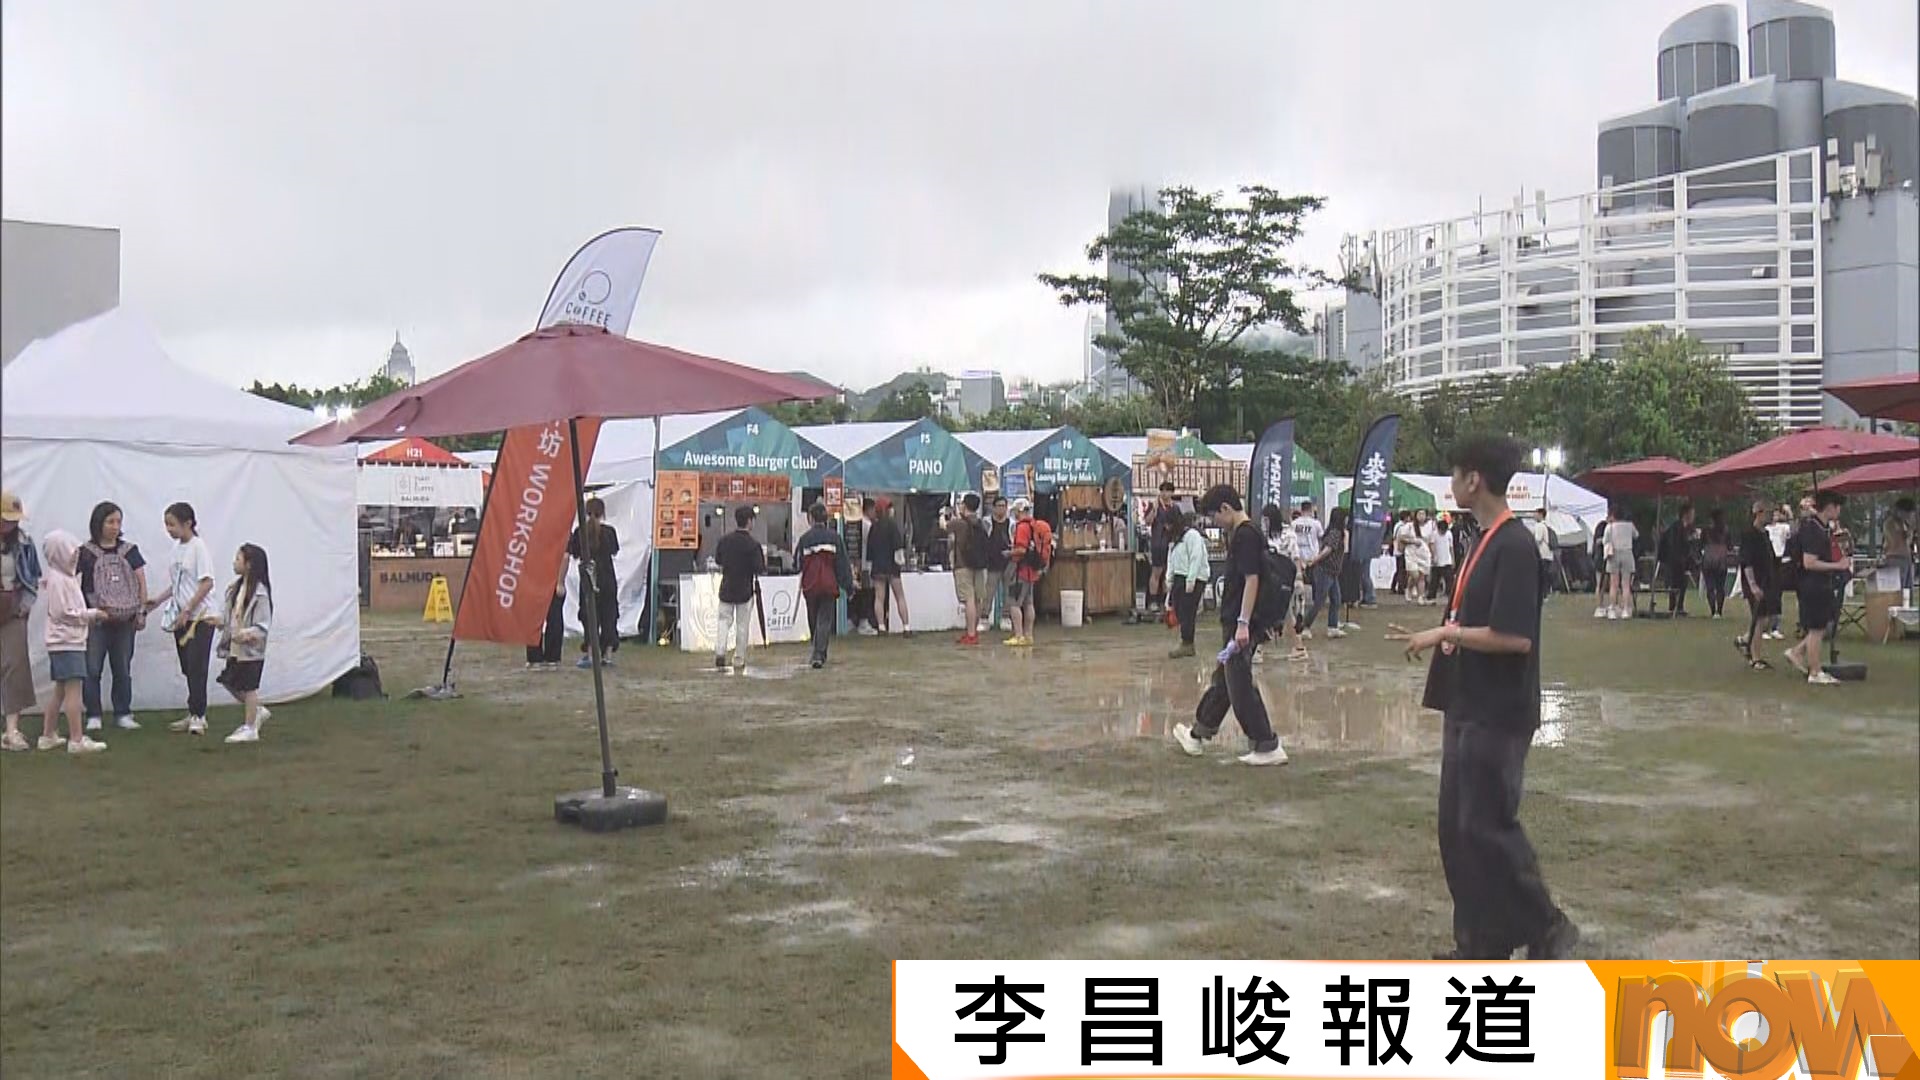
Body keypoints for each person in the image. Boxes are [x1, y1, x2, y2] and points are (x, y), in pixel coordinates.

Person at [1392, 435, 1576, 961]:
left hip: (1500, 710)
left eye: (1455, 473)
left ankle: (1547, 925)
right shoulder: (1483, 538)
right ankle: (1480, 943)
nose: (1451, 484)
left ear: (1474, 479)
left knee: (1487, 827)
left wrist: (1444, 635)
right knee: (1457, 831)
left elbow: (1514, 637)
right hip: (1467, 701)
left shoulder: (1515, 546)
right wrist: (1448, 631)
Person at [1171, 485, 1290, 767]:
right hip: (1240, 620)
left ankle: (1266, 743)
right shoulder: (1246, 534)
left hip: (1241, 621)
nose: (1214, 523)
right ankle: (1198, 733)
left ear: (1226, 508)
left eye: (1215, 517)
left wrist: (1242, 624)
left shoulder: (1245, 536)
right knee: (1226, 680)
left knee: (1239, 685)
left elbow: (1252, 580)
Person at [145, 503, 219, 735]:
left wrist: (189, 608)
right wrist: (158, 600)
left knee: (197, 666)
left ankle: (200, 714)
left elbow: (207, 582)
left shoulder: (199, 548)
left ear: (188, 523)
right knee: (188, 666)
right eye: (166, 524)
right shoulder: (177, 549)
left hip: (201, 617)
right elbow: (178, 582)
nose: (169, 529)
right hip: (181, 617)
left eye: (172, 524)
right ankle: (193, 711)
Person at [34, 531, 111, 754]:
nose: (75, 558)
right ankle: (76, 739)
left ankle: (48, 735)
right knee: (73, 690)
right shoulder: (59, 581)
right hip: (66, 642)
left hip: (66, 641)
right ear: (59, 555)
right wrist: (92, 614)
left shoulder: (63, 578)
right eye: (71, 554)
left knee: (60, 690)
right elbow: (63, 613)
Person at [79, 501, 149, 732]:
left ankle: (123, 712)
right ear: (98, 523)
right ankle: (94, 714)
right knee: (92, 669)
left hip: (126, 619)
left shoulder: (130, 550)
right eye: (110, 521)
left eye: (118, 521)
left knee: (122, 668)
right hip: (97, 618)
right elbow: (74, 581)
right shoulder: (86, 553)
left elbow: (141, 581)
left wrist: (141, 611)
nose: (115, 526)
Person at [1787, 491, 1851, 686]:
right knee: (1816, 629)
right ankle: (1815, 671)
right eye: (1837, 505)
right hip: (1812, 583)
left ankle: (1797, 652)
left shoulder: (1823, 528)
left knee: (1821, 626)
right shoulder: (1812, 529)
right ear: (1829, 506)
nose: (1839, 510)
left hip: (1821, 583)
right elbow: (1809, 562)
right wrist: (1837, 566)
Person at [215, 544, 274, 743]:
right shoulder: (235, 588)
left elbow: (262, 625)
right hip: (235, 647)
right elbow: (229, 615)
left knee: (249, 687)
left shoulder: (260, 594)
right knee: (229, 681)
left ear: (249, 564)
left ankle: (250, 728)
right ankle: (256, 711)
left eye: (238, 559)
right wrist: (218, 621)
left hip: (251, 650)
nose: (234, 562)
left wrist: (246, 635)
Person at [2, 492, 46, 752]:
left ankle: (11, 730)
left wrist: (25, 607)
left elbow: (32, 579)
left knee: (14, 667)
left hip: (12, 609)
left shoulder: (24, 543)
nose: (10, 524)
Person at [795, 502, 854, 669]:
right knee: (825, 620)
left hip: (810, 586)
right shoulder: (835, 538)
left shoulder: (804, 539)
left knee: (813, 619)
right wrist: (848, 587)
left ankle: (817, 651)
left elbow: (796, 563)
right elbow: (842, 565)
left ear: (811, 519)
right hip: (829, 584)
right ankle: (819, 653)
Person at [567, 497, 621, 668]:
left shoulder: (579, 532)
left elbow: (574, 554)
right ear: (603, 513)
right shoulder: (610, 532)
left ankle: (590, 654)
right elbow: (614, 552)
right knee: (609, 616)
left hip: (589, 579)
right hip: (607, 579)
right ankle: (608, 655)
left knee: (590, 616)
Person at [712, 505, 764, 673]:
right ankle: (739, 658)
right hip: (744, 590)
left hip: (726, 587)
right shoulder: (753, 545)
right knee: (742, 626)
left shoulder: (724, 541)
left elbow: (718, 560)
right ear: (749, 521)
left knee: (723, 622)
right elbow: (759, 568)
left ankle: (720, 651)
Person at [1734, 502, 1777, 671]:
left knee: (1766, 619)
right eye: (1768, 512)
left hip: (1767, 582)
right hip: (1755, 582)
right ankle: (1755, 657)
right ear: (1758, 513)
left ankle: (1744, 640)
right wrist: (1752, 585)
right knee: (1760, 619)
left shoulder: (1765, 534)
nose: (1771, 516)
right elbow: (1747, 562)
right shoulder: (1748, 534)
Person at [946, 493, 990, 646]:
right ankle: (974, 631)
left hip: (963, 565)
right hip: (979, 565)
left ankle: (970, 634)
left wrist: (942, 514)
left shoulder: (959, 523)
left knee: (969, 599)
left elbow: (943, 526)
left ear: (964, 505)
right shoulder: (981, 523)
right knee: (978, 599)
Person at [1006, 498, 1050, 647]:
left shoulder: (1022, 527)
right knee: (1029, 603)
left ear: (1019, 511)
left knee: (1014, 603)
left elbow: (1021, 549)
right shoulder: (1035, 525)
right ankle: (1028, 635)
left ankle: (1018, 636)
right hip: (1033, 571)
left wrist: (1009, 553)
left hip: (1021, 570)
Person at [1299, 507, 1348, 639]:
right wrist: (1314, 561)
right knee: (1319, 601)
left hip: (1333, 572)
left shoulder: (1336, 532)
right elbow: (1327, 550)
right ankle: (1305, 626)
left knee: (1336, 599)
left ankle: (1332, 627)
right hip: (1324, 571)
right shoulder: (1336, 533)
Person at [1166, 509, 1209, 658]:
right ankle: (1185, 640)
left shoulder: (1192, 536)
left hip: (1194, 578)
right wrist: (1169, 578)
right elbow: (1171, 559)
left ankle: (1187, 643)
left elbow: (1196, 557)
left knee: (1188, 611)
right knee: (1179, 610)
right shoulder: (1175, 538)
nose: (1167, 527)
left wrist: (1191, 579)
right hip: (1179, 576)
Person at [867, 498, 911, 636]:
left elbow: (869, 550)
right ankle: (906, 627)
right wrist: (901, 562)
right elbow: (898, 546)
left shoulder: (874, 526)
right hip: (892, 567)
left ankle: (881, 627)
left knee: (879, 598)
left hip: (878, 567)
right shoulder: (892, 525)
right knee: (900, 596)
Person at [1146, 482, 1179, 616]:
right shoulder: (1155, 506)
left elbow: (1179, 525)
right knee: (1156, 572)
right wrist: (1153, 510)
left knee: (1168, 573)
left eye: (1168, 491)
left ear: (1172, 493)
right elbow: (1148, 521)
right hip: (1157, 544)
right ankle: (1153, 601)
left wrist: (1172, 528)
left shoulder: (1175, 508)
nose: (1165, 494)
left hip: (1170, 544)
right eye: (1163, 491)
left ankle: (1166, 601)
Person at [1659, 504, 1697, 617]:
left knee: (1683, 584)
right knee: (1674, 583)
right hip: (1673, 561)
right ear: (1686, 514)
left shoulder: (1688, 528)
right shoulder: (1675, 528)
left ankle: (1679, 607)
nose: (1693, 516)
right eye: (1692, 514)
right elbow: (1672, 545)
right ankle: (1672, 607)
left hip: (1682, 561)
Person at [1601, 504, 1638, 620]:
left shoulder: (1610, 527)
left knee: (1613, 584)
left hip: (1614, 554)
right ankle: (1626, 609)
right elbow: (1636, 535)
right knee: (1626, 584)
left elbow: (1604, 541)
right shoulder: (1629, 525)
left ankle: (1612, 608)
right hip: (1627, 553)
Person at [1763, 506, 1794, 639]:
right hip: (1769, 561)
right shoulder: (1765, 530)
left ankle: (1775, 627)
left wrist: (1789, 513)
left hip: (1780, 562)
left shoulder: (1784, 527)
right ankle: (1765, 627)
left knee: (1777, 595)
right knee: (1767, 595)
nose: (1775, 517)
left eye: (1777, 514)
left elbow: (1793, 532)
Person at [526, 574, 567, 671]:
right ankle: (550, 657)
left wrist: (560, 582)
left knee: (552, 617)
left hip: (543, 579)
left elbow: (564, 558)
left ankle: (539, 658)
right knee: (537, 616)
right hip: (542, 578)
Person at [986, 495, 1014, 632]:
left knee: (1008, 592)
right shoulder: (987, 522)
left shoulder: (1012, 524)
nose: (1002, 509)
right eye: (999, 506)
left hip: (1008, 563)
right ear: (993, 507)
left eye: (1004, 506)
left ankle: (1006, 617)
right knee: (988, 592)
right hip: (991, 563)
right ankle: (984, 618)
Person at [1701, 509, 1732, 619]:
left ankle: (1713, 610)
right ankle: (1719, 611)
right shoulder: (1726, 531)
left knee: (1710, 586)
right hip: (1721, 561)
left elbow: (1701, 544)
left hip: (1708, 561)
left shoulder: (1706, 531)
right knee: (1720, 587)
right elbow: (1730, 546)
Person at [1883, 497, 1915, 593]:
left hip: (1906, 558)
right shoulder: (1890, 523)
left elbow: (1908, 541)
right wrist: (1903, 532)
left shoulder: (1906, 524)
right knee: (1898, 589)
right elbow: (1894, 541)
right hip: (1895, 558)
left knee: (1907, 590)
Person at [1403, 508, 1433, 606]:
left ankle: (1421, 596)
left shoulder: (1430, 526)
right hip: (1411, 553)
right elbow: (1402, 538)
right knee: (1414, 574)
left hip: (1424, 554)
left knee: (1422, 575)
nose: (1421, 516)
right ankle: (1409, 588)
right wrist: (1413, 541)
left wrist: (1433, 554)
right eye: (1419, 514)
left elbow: (1431, 541)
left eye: (1423, 514)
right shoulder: (1409, 526)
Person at [1525, 507, 1555, 601]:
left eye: (1536, 513)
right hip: (1548, 554)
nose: (1534, 515)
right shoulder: (1546, 525)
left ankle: (1542, 595)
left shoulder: (1539, 526)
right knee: (1545, 576)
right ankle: (1545, 594)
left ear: (1541, 515)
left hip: (1542, 554)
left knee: (1541, 576)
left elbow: (1538, 540)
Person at [1431, 514, 1459, 606]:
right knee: (1434, 581)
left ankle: (1451, 597)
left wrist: (1453, 559)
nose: (1442, 532)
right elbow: (1432, 546)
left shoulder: (1449, 534)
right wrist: (1433, 557)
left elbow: (1451, 547)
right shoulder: (1434, 534)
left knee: (1449, 581)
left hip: (1447, 561)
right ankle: (1431, 597)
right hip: (1436, 561)